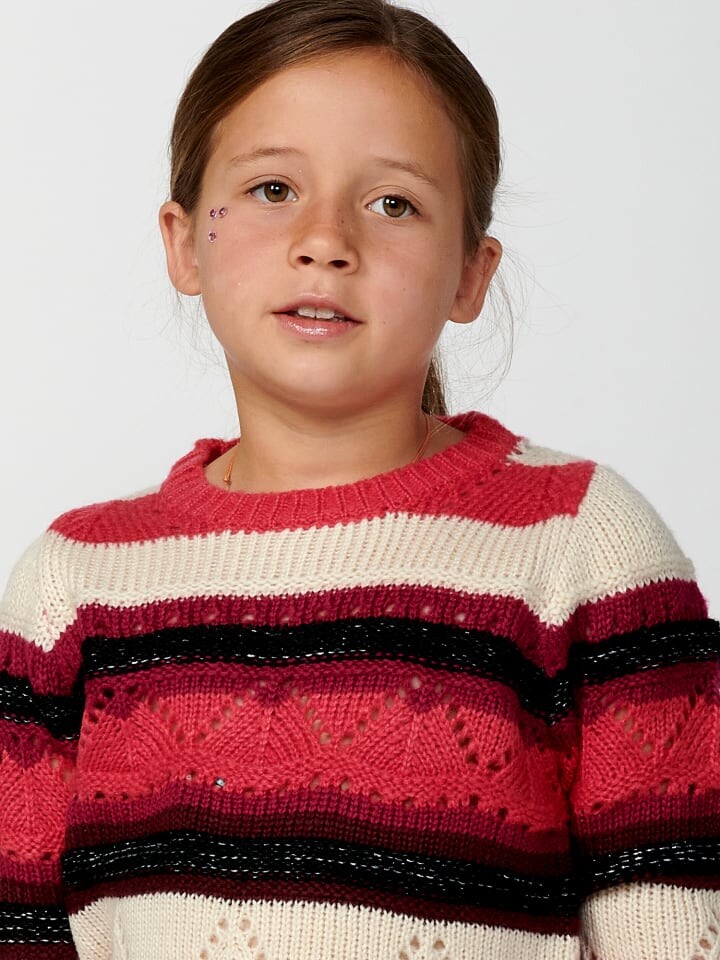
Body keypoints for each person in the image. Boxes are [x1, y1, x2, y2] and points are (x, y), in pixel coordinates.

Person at [0, 0, 717, 956]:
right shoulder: (73, 584)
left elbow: (676, 926)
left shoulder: (582, 543)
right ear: (182, 241)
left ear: (470, 273)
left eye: (394, 204)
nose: (326, 239)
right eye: (271, 189)